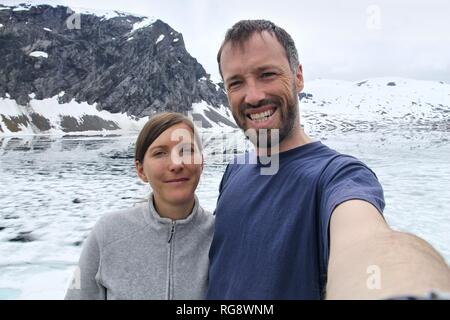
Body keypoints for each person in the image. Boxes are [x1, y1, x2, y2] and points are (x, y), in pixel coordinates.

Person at [207, 19, 450, 299]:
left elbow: (366, 242)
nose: (253, 96)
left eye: (267, 74)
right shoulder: (234, 170)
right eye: (236, 82)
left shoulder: (338, 175)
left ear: (298, 77)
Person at [65, 112, 214, 300]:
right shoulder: (108, 233)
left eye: (186, 150)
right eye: (160, 153)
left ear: (202, 163)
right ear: (141, 170)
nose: (176, 164)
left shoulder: (222, 237)